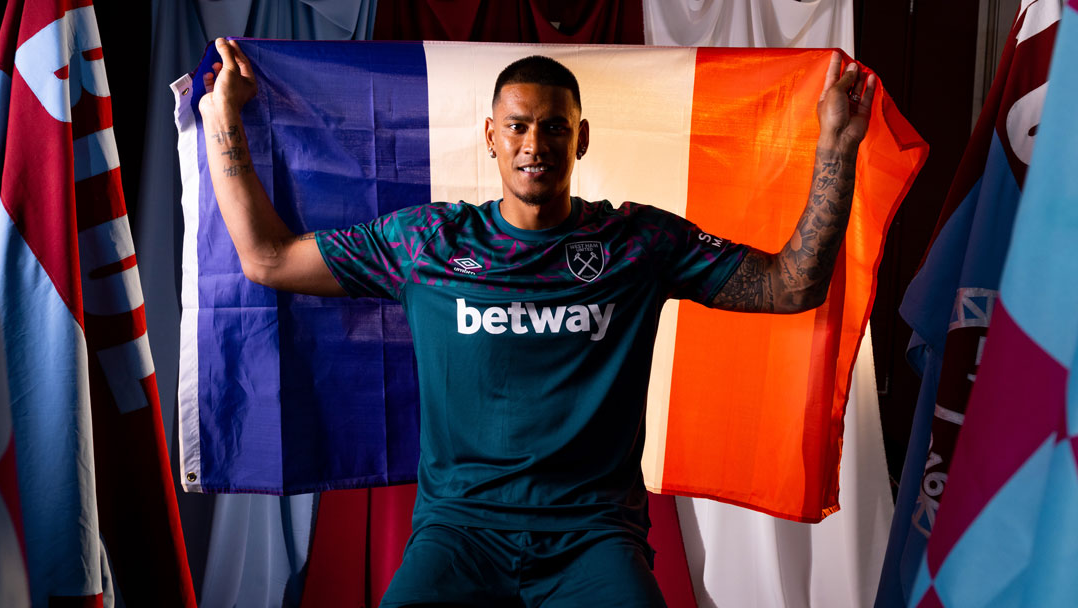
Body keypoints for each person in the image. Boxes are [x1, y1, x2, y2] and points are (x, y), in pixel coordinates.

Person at [199, 37, 875, 607]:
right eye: (518, 125)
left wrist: (837, 147)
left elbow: (792, 286)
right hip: (460, 531)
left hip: (593, 537)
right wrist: (222, 117)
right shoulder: (426, 242)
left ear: (580, 138)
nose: (535, 143)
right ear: (491, 137)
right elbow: (267, 258)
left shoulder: (638, 242)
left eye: (554, 126)